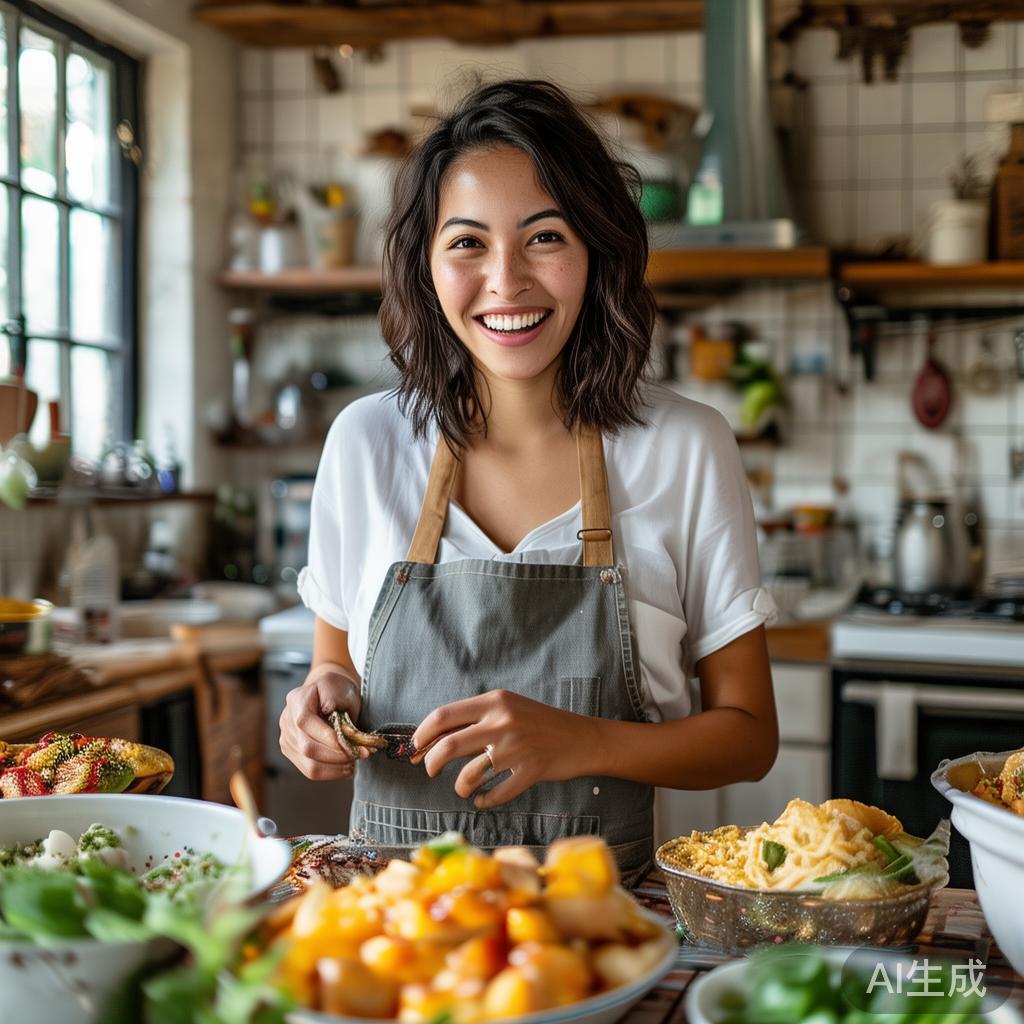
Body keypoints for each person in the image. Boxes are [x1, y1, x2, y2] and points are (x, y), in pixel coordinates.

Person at [280, 78, 778, 882]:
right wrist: (318, 709)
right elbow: (331, 671)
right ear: (427, 265)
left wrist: (580, 741)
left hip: (602, 937)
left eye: (544, 237)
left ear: (595, 251)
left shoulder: (686, 446)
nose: (506, 281)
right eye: (468, 243)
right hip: (389, 934)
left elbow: (750, 736)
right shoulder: (363, 443)